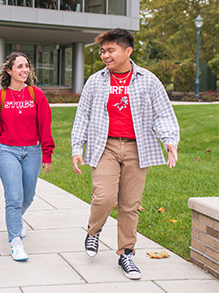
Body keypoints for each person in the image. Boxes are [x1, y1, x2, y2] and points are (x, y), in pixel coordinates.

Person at [71, 28, 179, 280]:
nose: (105, 56)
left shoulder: (148, 80)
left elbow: (163, 113)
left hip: (136, 148)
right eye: (103, 51)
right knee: (104, 198)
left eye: (111, 50)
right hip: (105, 146)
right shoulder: (96, 81)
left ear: (128, 51)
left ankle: (126, 253)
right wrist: (78, 148)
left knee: (130, 205)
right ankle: (94, 232)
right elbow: (82, 116)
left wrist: (170, 141)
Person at [0, 52, 55, 261]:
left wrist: (47, 154)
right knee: (14, 197)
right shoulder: (0, 97)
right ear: (9, 70)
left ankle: (15, 219)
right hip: (7, 151)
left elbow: (45, 125)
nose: (24, 70)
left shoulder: (36, 95)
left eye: (27, 66)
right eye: (19, 66)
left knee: (29, 195)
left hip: (32, 151)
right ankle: (15, 241)